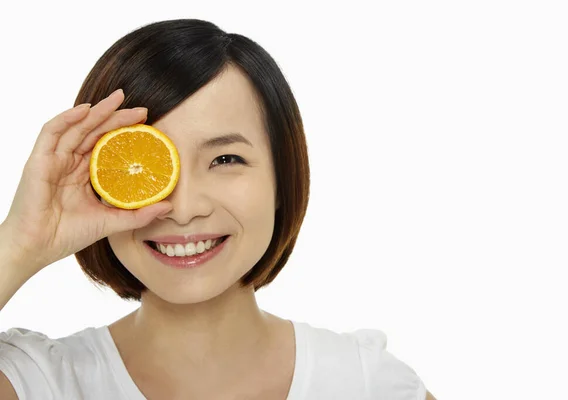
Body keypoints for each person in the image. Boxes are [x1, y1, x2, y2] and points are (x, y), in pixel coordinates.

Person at [0, 19, 435, 400]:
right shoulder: (36, 383)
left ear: (282, 179)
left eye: (225, 160)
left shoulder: (367, 384)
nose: (184, 209)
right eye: (148, 166)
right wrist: (20, 242)